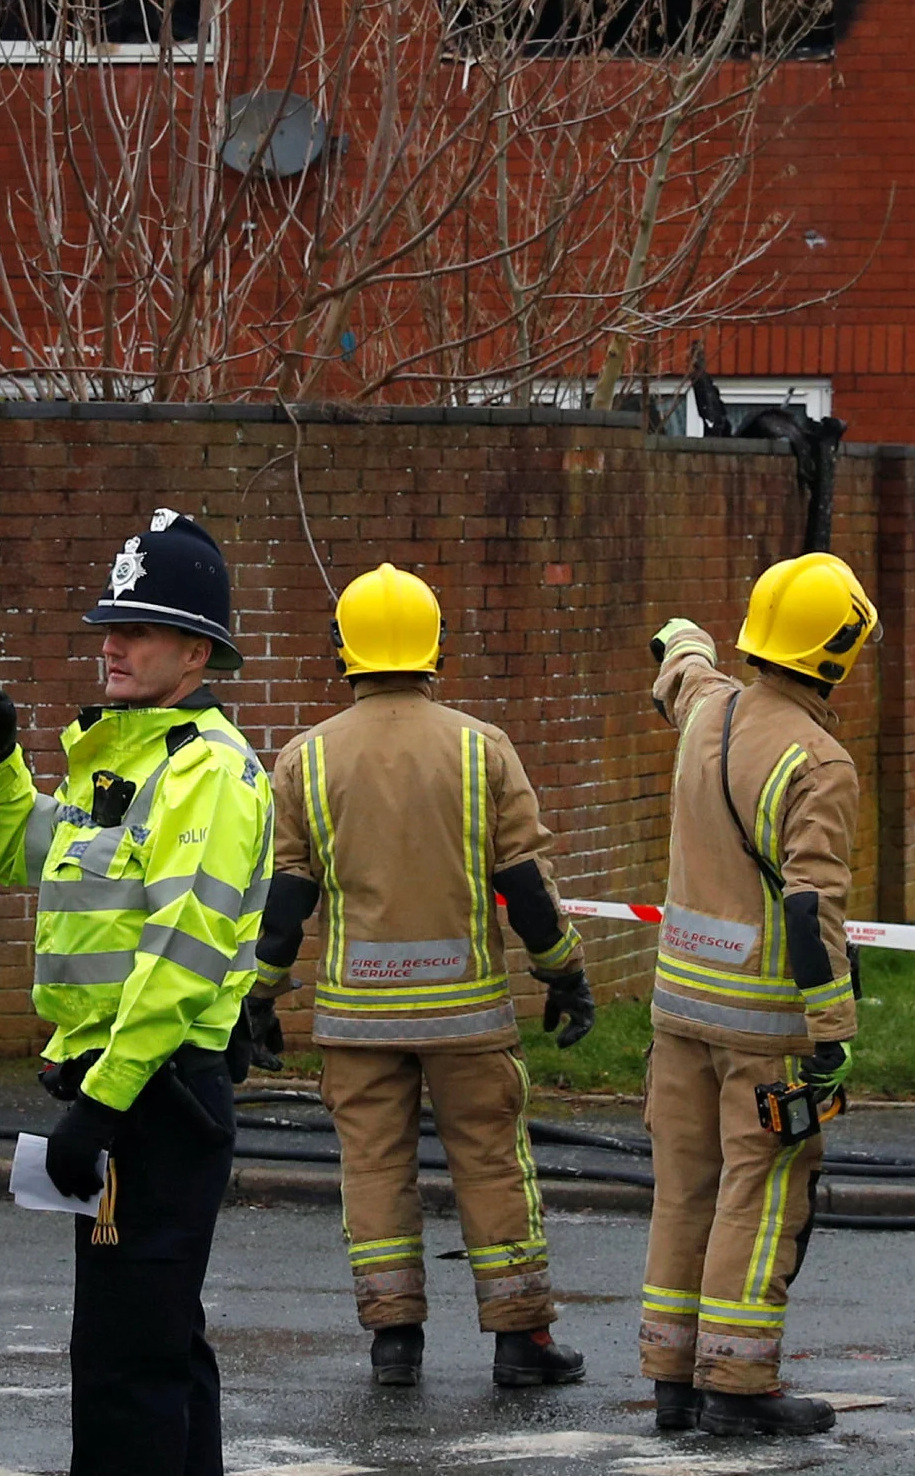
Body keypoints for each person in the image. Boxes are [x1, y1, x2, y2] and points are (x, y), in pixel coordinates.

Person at [0, 511, 271, 1476]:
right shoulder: (124, 757)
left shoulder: (205, 770)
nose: (113, 644)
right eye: (110, 624)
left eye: (140, 627)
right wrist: (2, 759)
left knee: (125, 1361)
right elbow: (22, 855)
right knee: (161, 1339)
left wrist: (101, 1104)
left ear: (197, 649)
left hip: (151, 1094)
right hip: (128, 1088)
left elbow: (178, 959)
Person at [242, 563, 600, 1389]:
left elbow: (285, 900)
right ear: (437, 647)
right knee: (492, 1161)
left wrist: (260, 996)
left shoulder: (304, 759)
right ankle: (521, 1340)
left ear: (344, 651)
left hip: (357, 1021)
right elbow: (525, 887)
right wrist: (565, 974)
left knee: (372, 1169)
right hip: (467, 1018)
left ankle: (393, 1340)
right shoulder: (483, 750)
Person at [637, 554, 872, 1437]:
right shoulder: (821, 762)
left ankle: (669, 1376)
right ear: (837, 651)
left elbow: (683, 669)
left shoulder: (708, 711)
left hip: (678, 1009)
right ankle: (736, 1381)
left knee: (683, 1188)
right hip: (763, 1025)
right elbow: (812, 909)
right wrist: (832, 1030)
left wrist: (681, 638)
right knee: (761, 1191)